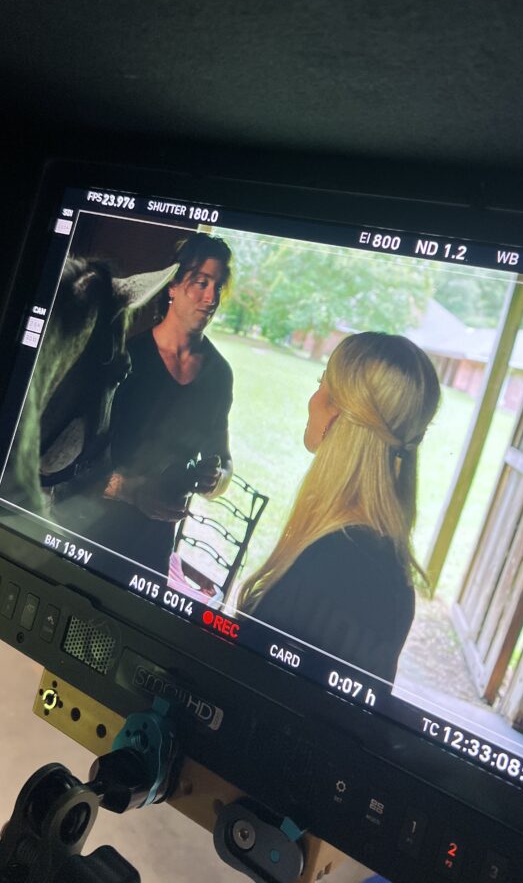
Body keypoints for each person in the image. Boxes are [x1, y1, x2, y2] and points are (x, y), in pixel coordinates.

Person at [237, 332, 440, 682]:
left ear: (339, 417)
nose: (312, 400)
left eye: (323, 385)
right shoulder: (376, 557)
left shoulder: (336, 562)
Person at [53, 234, 233, 576]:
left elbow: (223, 458)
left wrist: (217, 477)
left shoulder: (220, 374)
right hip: (87, 531)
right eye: (201, 282)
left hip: (153, 549)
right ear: (172, 286)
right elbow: (69, 458)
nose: (211, 298)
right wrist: (130, 490)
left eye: (218, 286)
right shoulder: (124, 359)